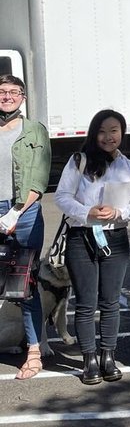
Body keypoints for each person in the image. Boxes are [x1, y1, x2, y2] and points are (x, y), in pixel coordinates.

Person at [54, 109, 130, 385]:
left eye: (114, 130)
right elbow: (62, 197)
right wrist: (87, 211)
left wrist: (119, 214)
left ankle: (108, 354)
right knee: (85, 303)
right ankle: (89, 358)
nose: (108, 137)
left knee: (111, 301)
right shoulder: (78, 161)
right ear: (94, 134)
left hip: (115, 238)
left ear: (122, 133)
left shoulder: (128, 166)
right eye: (103, 131)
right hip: (82, 237)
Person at [0, 75, 51, 380]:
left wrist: (16, 212)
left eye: (12, 92)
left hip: (25, 211)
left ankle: (34, 350)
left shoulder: (34, 130)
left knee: (24, 285)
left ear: (23, 97)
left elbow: (40, 177)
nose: (6, 97)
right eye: (2, 92)